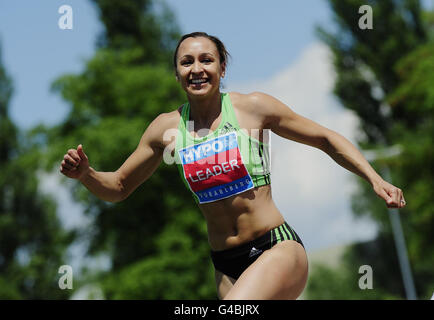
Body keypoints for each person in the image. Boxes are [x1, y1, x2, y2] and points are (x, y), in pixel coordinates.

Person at [59, 31, 407, 300]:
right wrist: (86, 175)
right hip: (226, 266)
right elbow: (119, 187)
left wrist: (374, 178)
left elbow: (325, 139)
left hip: (276, 248)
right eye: (186, 62)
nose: (197, 69)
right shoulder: (165, 130)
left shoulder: (252, 108)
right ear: (176, 74)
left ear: (222, 68)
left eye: (206, 60)